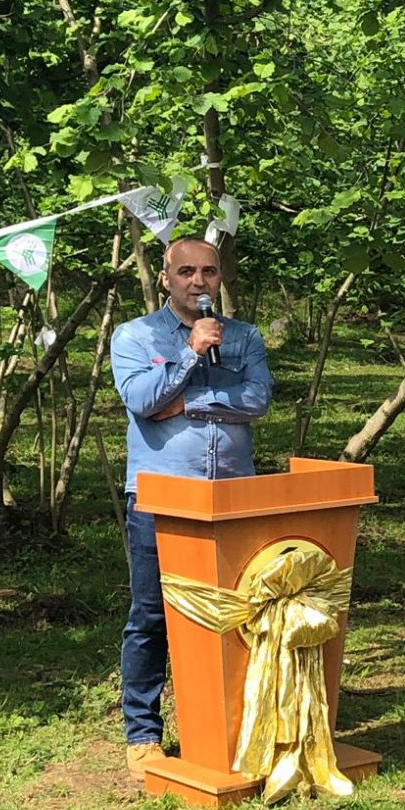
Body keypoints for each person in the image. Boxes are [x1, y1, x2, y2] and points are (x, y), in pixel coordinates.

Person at [109, 238, 271, 778]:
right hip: (161, 495)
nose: (197, 282)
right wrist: (191, 353)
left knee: (240, 610)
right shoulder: (135, 336)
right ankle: (143, 734)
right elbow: (144, 401)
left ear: (220, 278)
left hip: (233, 494)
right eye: (185, 272)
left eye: (207, 272)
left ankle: (238, 724)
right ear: (165, 278)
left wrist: (194, 402)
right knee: (152, 614)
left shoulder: (244, 337)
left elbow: (258, 401)